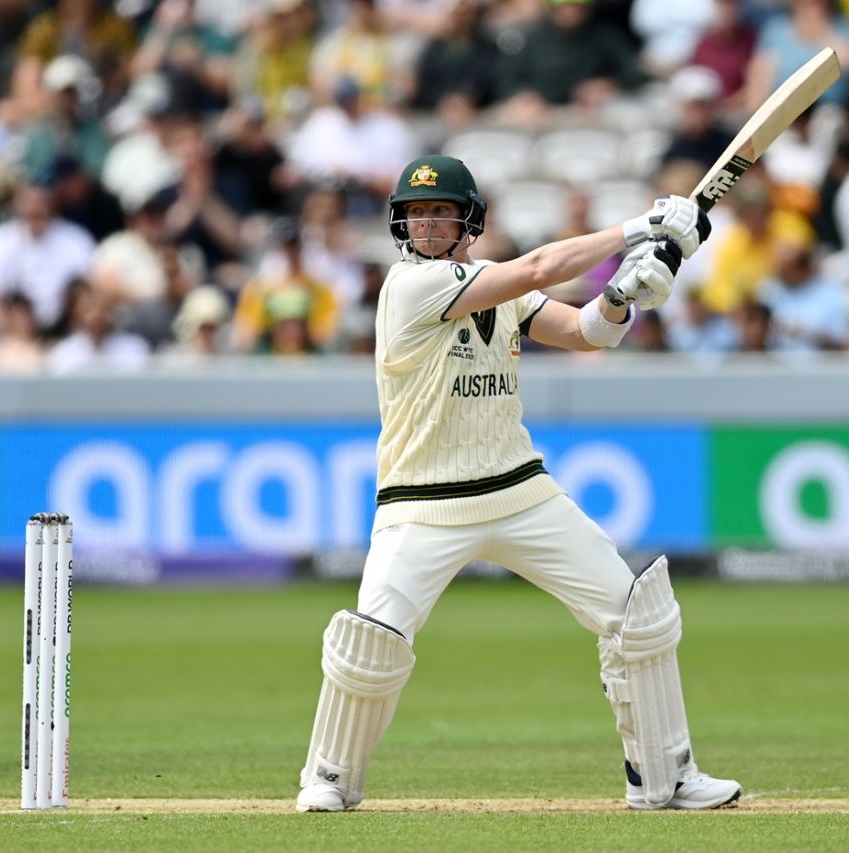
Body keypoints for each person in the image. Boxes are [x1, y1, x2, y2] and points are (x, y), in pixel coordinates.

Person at [294, 155, 741, 813]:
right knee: (373, 642)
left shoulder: (496, 290)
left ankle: (665, 777)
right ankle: (328, 777)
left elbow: (588, 333)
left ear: (467, 221)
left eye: (440, 213)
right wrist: (640, 227)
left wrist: (624, 294)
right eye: (416, 214)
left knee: (635, 615)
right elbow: (535, 267)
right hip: (423, 499)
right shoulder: (409, 286)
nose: (427, 225)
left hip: (517, 488)